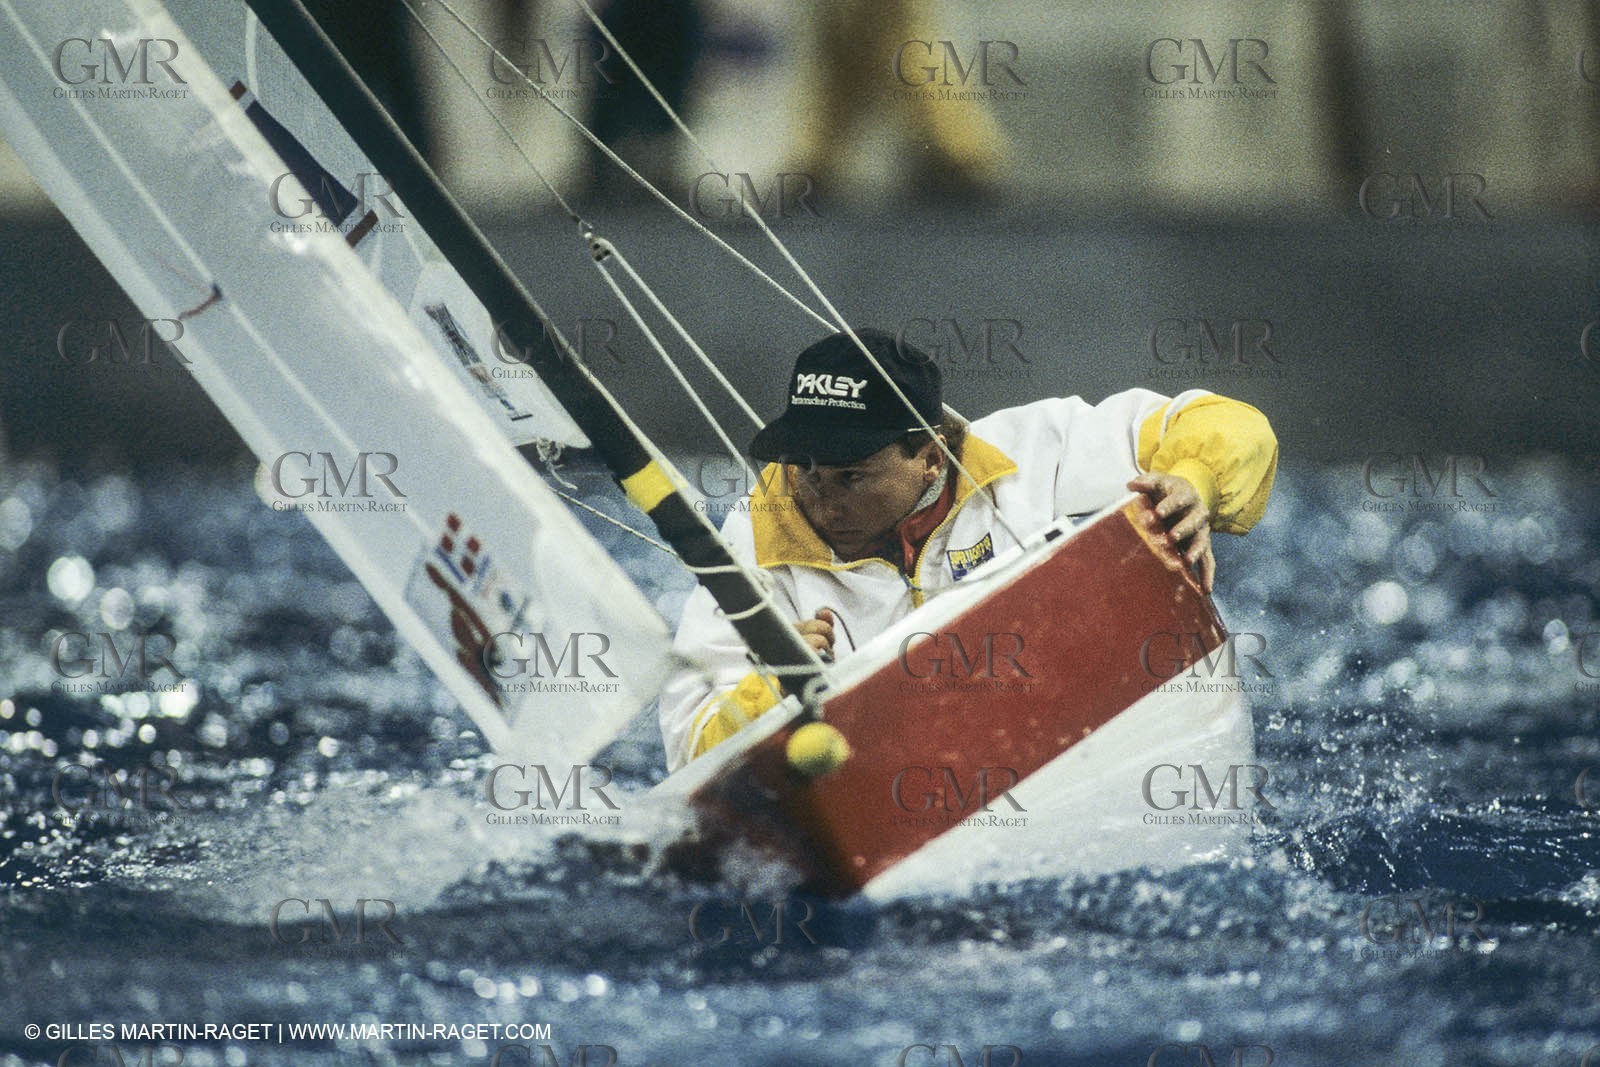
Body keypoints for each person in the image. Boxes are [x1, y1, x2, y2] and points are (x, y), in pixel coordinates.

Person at [656, 328, 1278, 771]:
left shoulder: (1035, 448)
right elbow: (687, 747)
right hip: (887, 786)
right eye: (804, 467)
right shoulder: (753, 535)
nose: (821, 498)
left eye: (851, 476)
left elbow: (1225, 421)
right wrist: (767, 691)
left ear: (929, 456)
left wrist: (1194, 483)